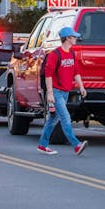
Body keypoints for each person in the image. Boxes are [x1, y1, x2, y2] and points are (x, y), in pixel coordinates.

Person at [37, 27, 89, 155]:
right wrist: (49, 93)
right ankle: (76, 145)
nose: (76, 39)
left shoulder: (71, 54)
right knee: (65, 117)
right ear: (67, 38)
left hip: (65, 92)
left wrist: (81, 86)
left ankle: (42, 145)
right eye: (74, 37)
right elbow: (48, 74)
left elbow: (76, 72)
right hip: (55, 92)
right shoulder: (55, 55)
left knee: (53, 120)